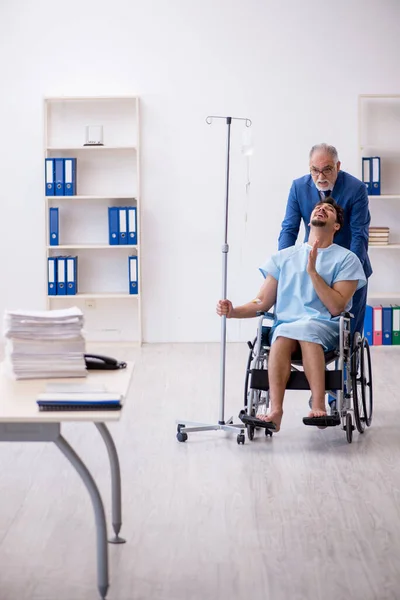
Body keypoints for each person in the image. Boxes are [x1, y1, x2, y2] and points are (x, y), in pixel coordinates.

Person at [216, 198, 366, 432]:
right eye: (317, 207)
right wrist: (233, 311)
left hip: (325, 327)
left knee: (305, 330)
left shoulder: (346, 259)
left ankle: (318, 405)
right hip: (287, 327)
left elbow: (337, 307)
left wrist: (313, 272)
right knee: (282, 334)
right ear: (308, 221)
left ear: (337, 226)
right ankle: (276, 411)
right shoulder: (284, 257)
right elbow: (262, 301)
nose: (321, 208)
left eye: (328, 209)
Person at [278, 143, 371, 338]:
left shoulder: (356, 189)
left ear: (338, 167)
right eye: (315, 170)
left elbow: (359, 235)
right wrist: (283, 267)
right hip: (313, 263)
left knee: (348, 336)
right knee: (307, 323)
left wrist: (350, 272)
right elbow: (289, 229)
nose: (320, 177)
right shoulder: (298, 187)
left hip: (348, 266)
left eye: (327, 169)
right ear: (309, 168)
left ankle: (345, 369)